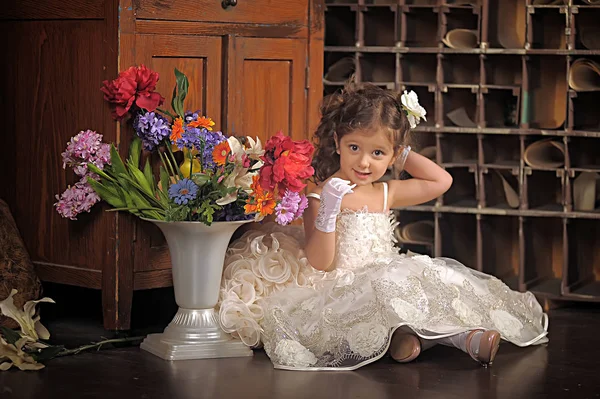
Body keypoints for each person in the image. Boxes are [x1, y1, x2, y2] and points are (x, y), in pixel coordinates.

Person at [217, 83, 548, 371]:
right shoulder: (322, 193)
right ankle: (447, 338)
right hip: (342, 287)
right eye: (355, 148)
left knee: (431, 278)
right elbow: (321, 262)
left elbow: (441, 181)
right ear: (337, 141)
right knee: (387, 288)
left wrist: (400, 155)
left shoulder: (384, 191)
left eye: (377, 153)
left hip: (386, 273)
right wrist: (329, 209)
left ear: (392, 156)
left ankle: (443, 337)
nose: (364, 162)